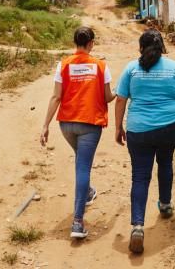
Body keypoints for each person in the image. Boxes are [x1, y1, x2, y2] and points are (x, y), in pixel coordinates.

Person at [115, 29, 175, 254]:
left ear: (141, 48)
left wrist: (118, 127)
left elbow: (120, 100)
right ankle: (166, 204)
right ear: (162, 48)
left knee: (140, 176)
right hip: (169, 127)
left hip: (138, 130)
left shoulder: (131, 69)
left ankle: (138, 226)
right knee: (165, 163)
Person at [40, 26, 116, 239]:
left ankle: (89, 192)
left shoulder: (63, 64)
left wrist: (45, 125)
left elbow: (56, 97)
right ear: (91, 43)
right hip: (90, 125)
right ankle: (77, 223)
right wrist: (121, 91)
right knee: (83, 167)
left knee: (81, 161)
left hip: (66, 126)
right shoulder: (100, 66)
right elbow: (108, 97)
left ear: (75, 43)